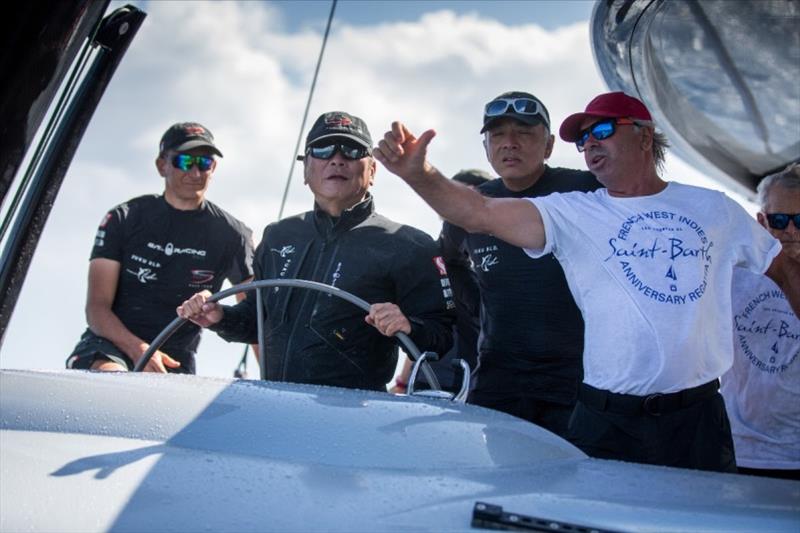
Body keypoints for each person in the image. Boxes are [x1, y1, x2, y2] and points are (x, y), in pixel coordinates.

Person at [374, 91, 800, 472]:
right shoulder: (574, 211)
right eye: (583, 139)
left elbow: (780, 266)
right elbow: (479, 213)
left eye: (602, 130)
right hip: (604, 418)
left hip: (698, 418)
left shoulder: (714, 208)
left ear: (645, 137)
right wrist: (420, 174)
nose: (591, 143)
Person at [178, 111, 454, 391]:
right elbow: (258, 321)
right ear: (305, 170)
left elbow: (444, 335)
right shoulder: (277, 236)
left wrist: (408, 326)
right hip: (276, 405)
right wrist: (219, 317)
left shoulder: (409, 244)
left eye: (352, 150)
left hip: (355, 416)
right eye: (322, 150)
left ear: (372, 171)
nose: (337, 159)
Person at [438, 92, 601, 436]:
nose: (510, 144)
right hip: (500, 382)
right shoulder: (472, 206)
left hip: (583, 380)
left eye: (524, 133)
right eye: (497, 135)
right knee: (497, 486)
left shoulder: (587, 190)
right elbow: (445, 261)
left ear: (549, 145)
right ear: (485, 148)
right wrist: (476, 305)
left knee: (574, 485)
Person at [66, 122, 255, 374]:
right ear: (161, 165)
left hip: (175, 361)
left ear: (214, 168)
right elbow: (96, 307)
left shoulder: (233, 234)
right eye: (185, 162)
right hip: (109, 346)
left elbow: (256, 320)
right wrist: (139, 350)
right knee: (115, 381)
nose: (196, 172)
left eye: (204, 163)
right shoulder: (124, 218)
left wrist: (277, 385)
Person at [721, 163, 800, 480]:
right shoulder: (730, 273)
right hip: (741, 449)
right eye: (780, 221)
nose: (792, 231)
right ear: (761, 221)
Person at [391, 168, 490, 394]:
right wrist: (402, 383)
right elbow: (427, 322)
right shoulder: (430, 259)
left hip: (474, 387)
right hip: (425, 383)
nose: (451, 203)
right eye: (446, 195)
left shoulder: (497, 265)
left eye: (460, 197)